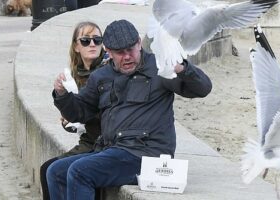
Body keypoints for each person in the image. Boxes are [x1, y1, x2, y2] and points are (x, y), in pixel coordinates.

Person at [48, 19, 212, 200]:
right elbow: (78, 113)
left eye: (131, 50)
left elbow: (203, 88)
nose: (127, 57)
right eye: (119, 52)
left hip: (147, 155)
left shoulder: (159, 66)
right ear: (108, 52)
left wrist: (182, 68)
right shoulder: (101, 76)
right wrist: (62, 95)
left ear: (139, 43)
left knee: (79, 172)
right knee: (55, 171)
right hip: (111, 151)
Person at [40, 21, 106, 200]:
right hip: (89, 139)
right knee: (47, 168)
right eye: (85, 40)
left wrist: (79, 118)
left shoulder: (106, 71)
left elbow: (101, 112)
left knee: (56, 171)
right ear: (76, 46)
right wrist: (69, 121)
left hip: (102, 142)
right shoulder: (74, 75)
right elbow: (78, 115)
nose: (92, 44)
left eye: (97, 40)